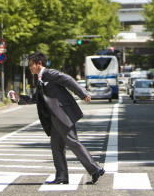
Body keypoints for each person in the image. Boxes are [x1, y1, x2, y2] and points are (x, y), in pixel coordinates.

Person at [9, 52, 105, 185]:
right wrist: (19, 98)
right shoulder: (41, 78)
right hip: (54, 117)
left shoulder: (49, 74)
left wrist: (83, 94)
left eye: (31, 65)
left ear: (39, 64)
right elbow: (36, 99)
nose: (29, 67)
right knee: (56, 146)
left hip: (62, 114)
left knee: (72, 142)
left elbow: (68, 80)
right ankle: (61, 177)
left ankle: (95, 168)